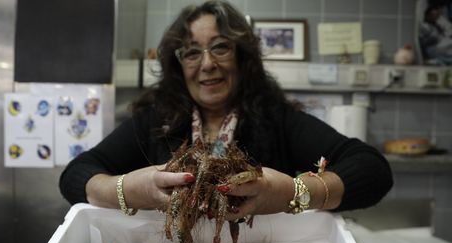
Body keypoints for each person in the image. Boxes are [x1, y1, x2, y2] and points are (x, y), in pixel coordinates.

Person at [59, 0, 393, 221]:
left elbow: (372, 169)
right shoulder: (155, 119)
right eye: (191, 53)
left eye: (220, 47)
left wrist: (292, 192)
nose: (207, 64)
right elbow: (76, 174)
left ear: (242, 56)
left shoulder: (277, 119)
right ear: (178, 65)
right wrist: (125, 190)